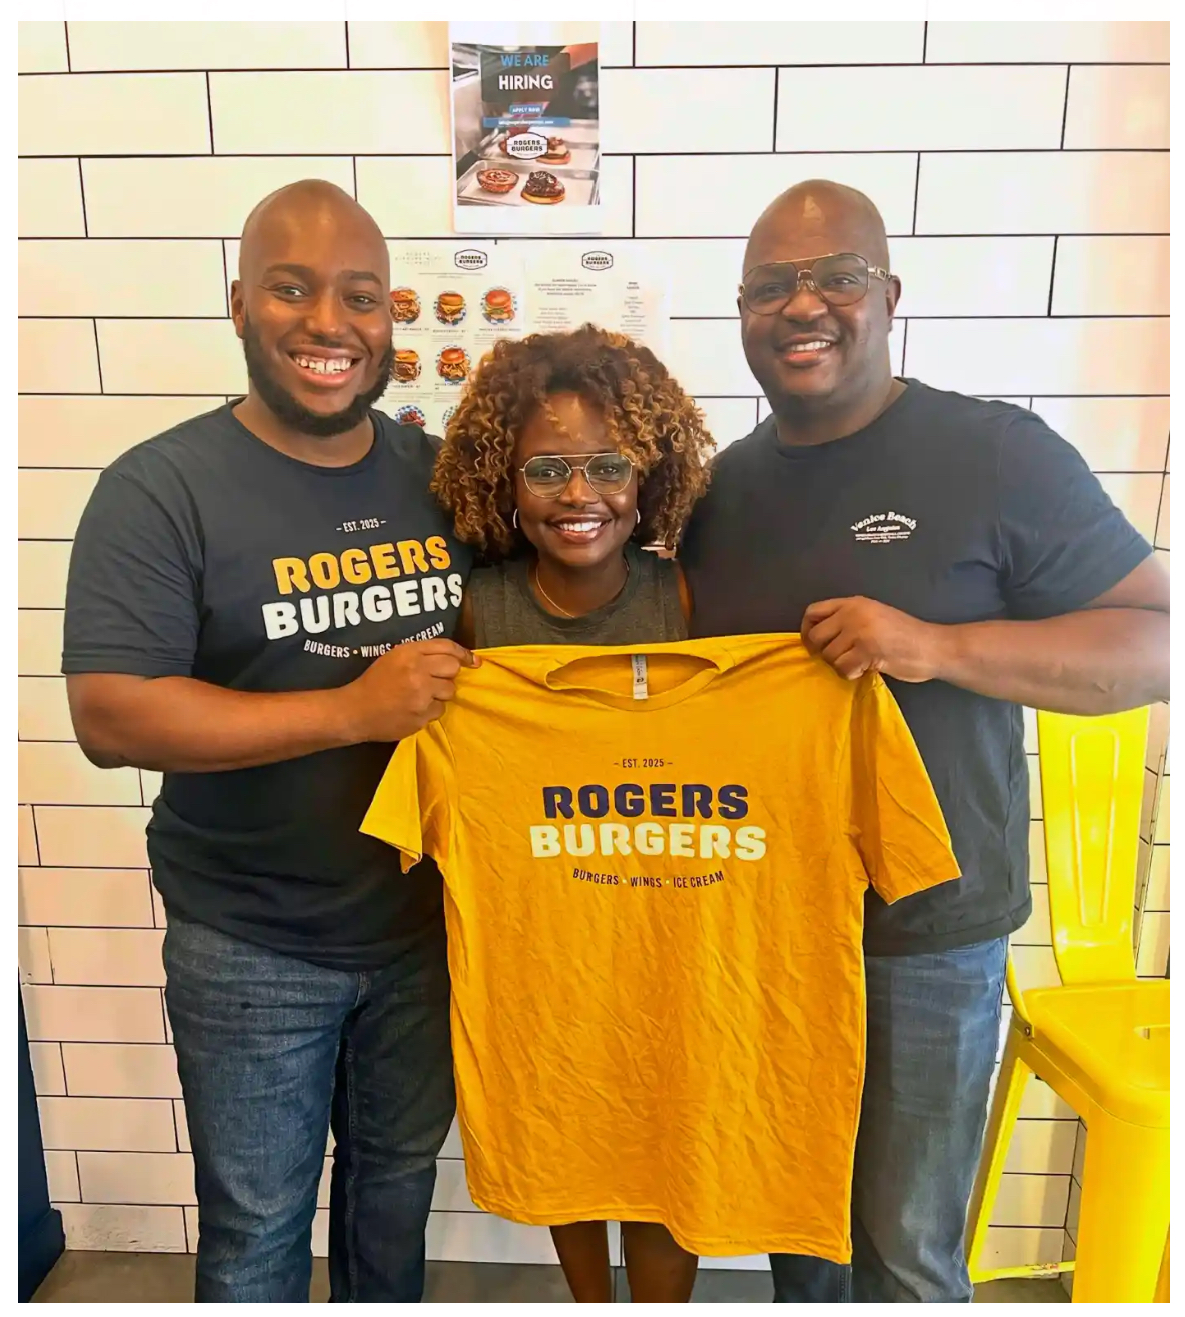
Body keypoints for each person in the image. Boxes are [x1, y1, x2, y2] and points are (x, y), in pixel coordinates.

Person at [679, 180, 1170, 1303]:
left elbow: (1154, 647)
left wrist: (935, 647)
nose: (803, 304)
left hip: (931, 937)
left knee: (905, 1252)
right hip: (772, 931)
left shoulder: (993, 453)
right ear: (743, 312)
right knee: (803, 1240)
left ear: (889, 295)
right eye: (771, 286)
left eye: (836, 277)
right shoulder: (721, 490)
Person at [62, 181, 476, 1303]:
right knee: (257, 1229)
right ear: (239, 303)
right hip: (252, 939)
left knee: (394, 1197)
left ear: (390, 316)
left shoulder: (441, 477)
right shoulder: (160, 488)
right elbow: (110, 714)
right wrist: (351, 711)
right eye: (292, 290)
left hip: (427, 926)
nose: (329, 323)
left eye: (359, 296)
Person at [431, 324, 714, 1301]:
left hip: (668, 930)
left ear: (647, 478)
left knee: (665, 1147)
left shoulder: (684, 597)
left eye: (608, 465)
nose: (578, 493)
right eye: (546, 469)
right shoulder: (481, 609)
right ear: (503, 485)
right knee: (568, 1138)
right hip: (540, 942)